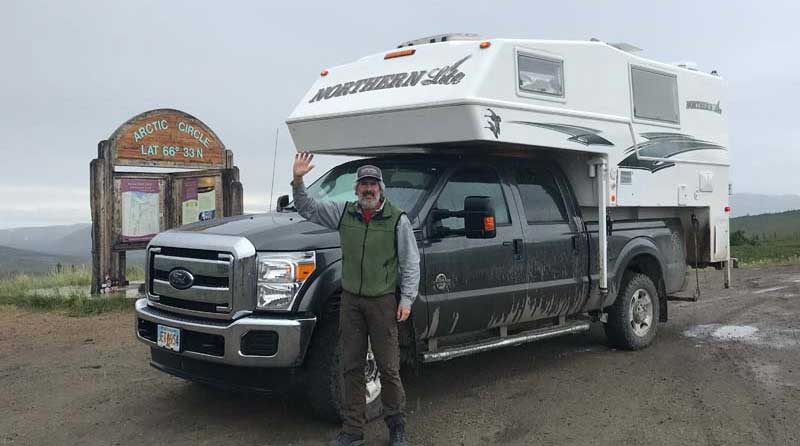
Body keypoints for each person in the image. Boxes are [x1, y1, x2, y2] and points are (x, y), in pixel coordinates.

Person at [291, 152, 419, 446]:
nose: (368, 189)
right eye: (364, 184)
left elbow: (411, 263)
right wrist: (298, 179)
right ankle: (352, 431)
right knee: (351, 367)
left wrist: (407, 299)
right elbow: (306, 207)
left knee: (388, 368)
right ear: (356, 189)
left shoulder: (397, 220)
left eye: (373, 184)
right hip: (351, 303)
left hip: (383, 302)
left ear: (381, 188)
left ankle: (396, 427)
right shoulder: (343, 213)